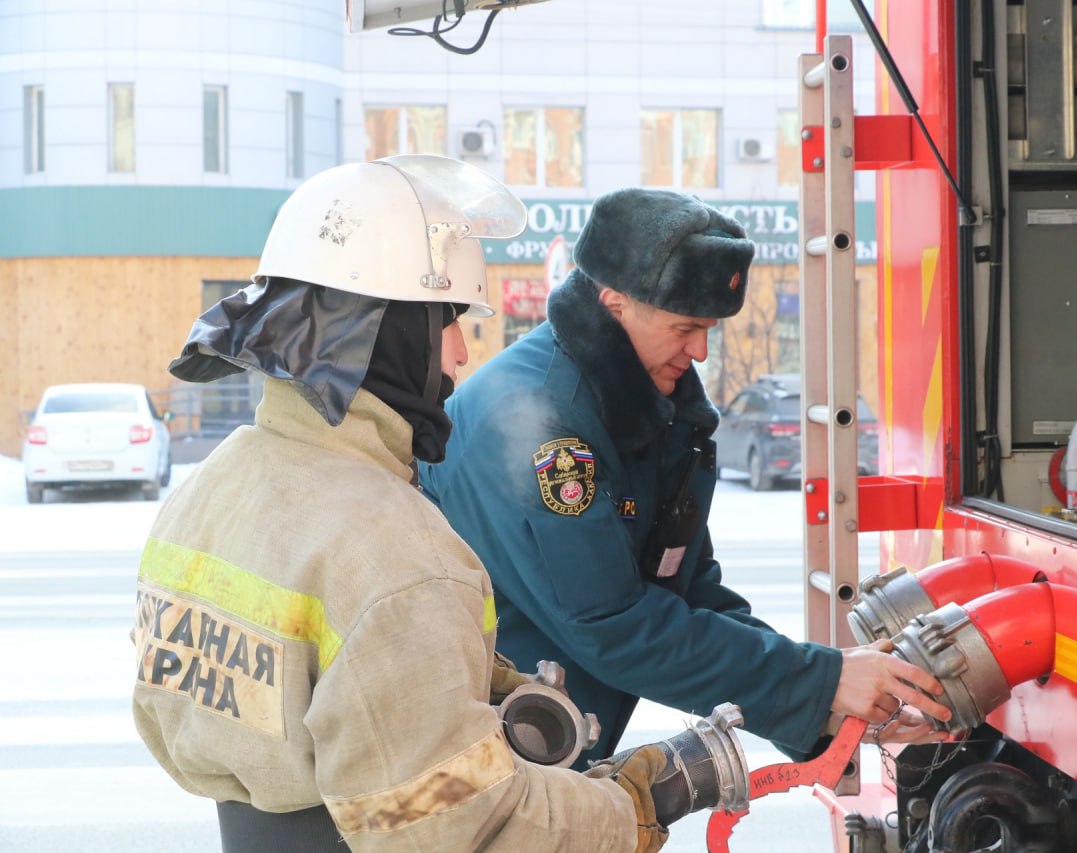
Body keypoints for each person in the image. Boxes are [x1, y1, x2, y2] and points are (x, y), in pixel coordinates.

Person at [131, 157, 699, 852]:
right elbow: (458, 821)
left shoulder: (210, 486)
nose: (461, 352)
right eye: (446, 321)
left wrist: (474, 684)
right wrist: (631, 807)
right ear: (384, 331)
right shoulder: (397, 551)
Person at [421, 187, 953, 770]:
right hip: (478, 757)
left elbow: (687, 590)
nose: (700, 351)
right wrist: (822, 682)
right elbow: (612, 624)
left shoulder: (648, 411)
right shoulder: (537, 424)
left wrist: (833, 707)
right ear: (614, 302)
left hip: (545, 745)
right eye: (684, 329)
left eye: (710, 329)